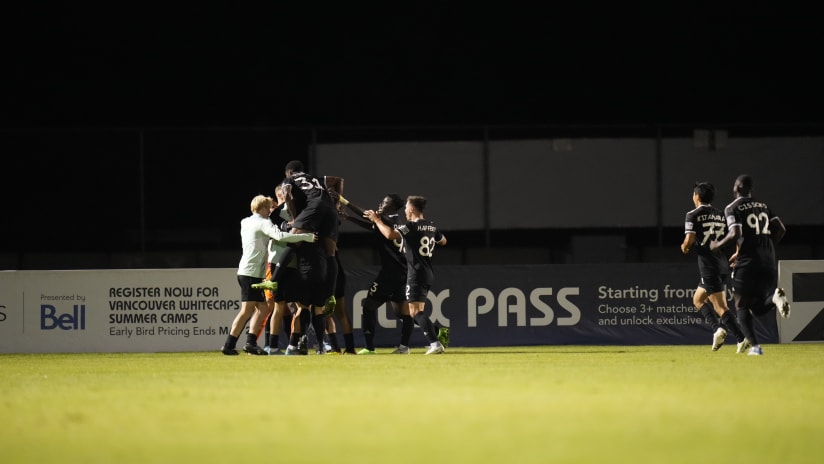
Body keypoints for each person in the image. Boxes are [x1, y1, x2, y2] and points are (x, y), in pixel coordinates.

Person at [221, 194, 316, 355]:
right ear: (264, 208)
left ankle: (250, 342)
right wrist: (305, 236)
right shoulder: (264, 223)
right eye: (268, 208)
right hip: (251, 272)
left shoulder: (245, 221)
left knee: (263, 308)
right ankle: (229, 345)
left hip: (247, 270)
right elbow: (280, 236)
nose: (270, 212)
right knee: (247, 310)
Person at [710, 174, 790, 356]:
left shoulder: (732, 207)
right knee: (758, 307)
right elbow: (781, 230)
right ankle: (775, 298)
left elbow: (735, 232)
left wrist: (717, 245)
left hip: (748, 263)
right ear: (751, 189)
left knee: (741, 306)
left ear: (736, 188)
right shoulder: (763, 205)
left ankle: (755, 347)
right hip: (768, 261)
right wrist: (766, 247)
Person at [364, 195, 448, 355]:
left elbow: (389, 234)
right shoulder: (431, 226)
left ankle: (435, 343)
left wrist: (376, 220)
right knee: (415, 311)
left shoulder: (410, 227)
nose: (405, 211)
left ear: (412, 209)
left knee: (415, 312)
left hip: (415, 273)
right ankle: (409, 346)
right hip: (428, 272)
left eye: (407, 208)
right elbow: (443, 241)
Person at [339, 193, 414, 354]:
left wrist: (343, 200)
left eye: (385, 202)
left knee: (368, 306)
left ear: (393, 206)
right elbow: (372, 226)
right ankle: (410, 344)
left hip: (389, 274)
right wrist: (349, 218)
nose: (380, 204)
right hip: (403, 272)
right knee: (402, 312)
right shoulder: (396, 222)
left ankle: (369, 347)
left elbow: (367, 215)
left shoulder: (385, 219)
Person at [680, 182, 749, 352]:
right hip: (722, 264)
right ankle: (717, 329)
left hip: (709, 266)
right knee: (698, 299)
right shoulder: (721, 214)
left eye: (693, 194)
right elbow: (739, 235)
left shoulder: (692, 215)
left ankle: (741, 338)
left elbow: (689, 240)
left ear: (697, 196)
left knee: (720, 307)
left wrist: (685, 247)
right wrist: (738, 252)